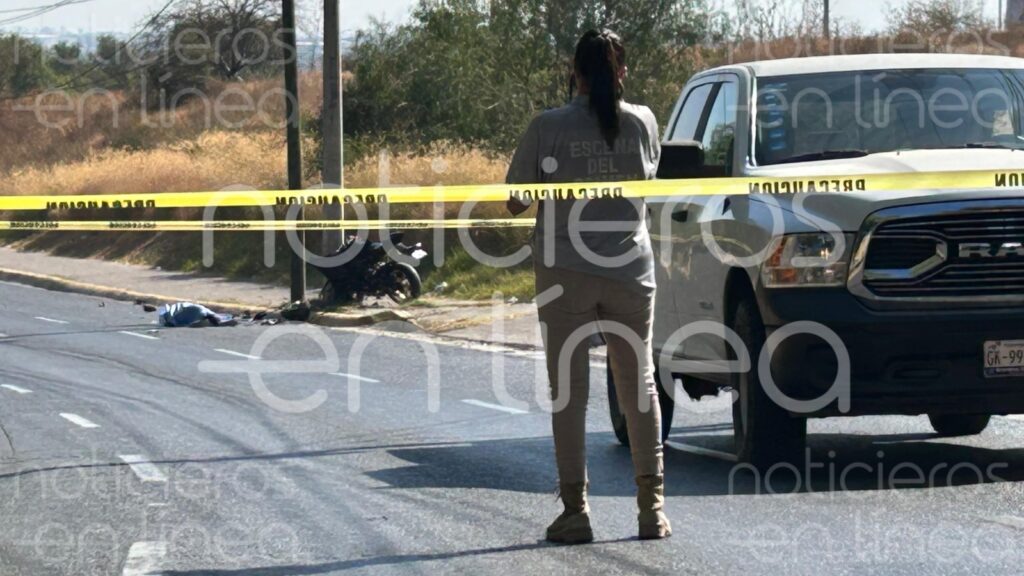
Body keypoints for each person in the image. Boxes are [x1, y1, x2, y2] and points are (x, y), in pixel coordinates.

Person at [505, 29, 670, 544]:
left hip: (565, 272)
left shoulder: (547, 126)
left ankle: (575, 510)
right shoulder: (642, 121)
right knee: (638, 383)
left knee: (568, 393)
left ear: (573, 71)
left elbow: (515, 200)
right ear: (622, 72)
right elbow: (648, 179)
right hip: (630, 270)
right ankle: (651, 510)